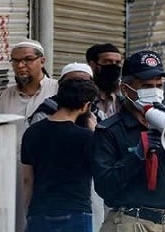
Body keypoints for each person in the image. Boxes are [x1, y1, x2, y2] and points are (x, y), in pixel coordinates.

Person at [91, 50, 165, 232]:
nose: (155, 91)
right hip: (130, 222)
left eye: (159, 85)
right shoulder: (110, 131)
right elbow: (105, 187)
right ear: (126, 89)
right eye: (146, 86)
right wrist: (136, 156)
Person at [0, 39, 59, 232]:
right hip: (11, 175)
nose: (20, 66)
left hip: (46, 175)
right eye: (15, 61)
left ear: (42, 61)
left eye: (27, 60)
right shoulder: (6, 96)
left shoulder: (57, 90)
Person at [21, 79, 98, 232]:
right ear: (86, 106)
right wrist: (94, 131)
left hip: (40, 211)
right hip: (76, 210)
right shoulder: (86, 137)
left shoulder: (32, 132)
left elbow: (27, 180)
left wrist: (28, 214)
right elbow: (99, 168)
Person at [86, 43, 124, 120]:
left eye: (117, 62)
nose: (113, 66)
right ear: (92, 65)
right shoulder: (83, 94)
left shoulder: (124, 94)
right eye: (107, 61)